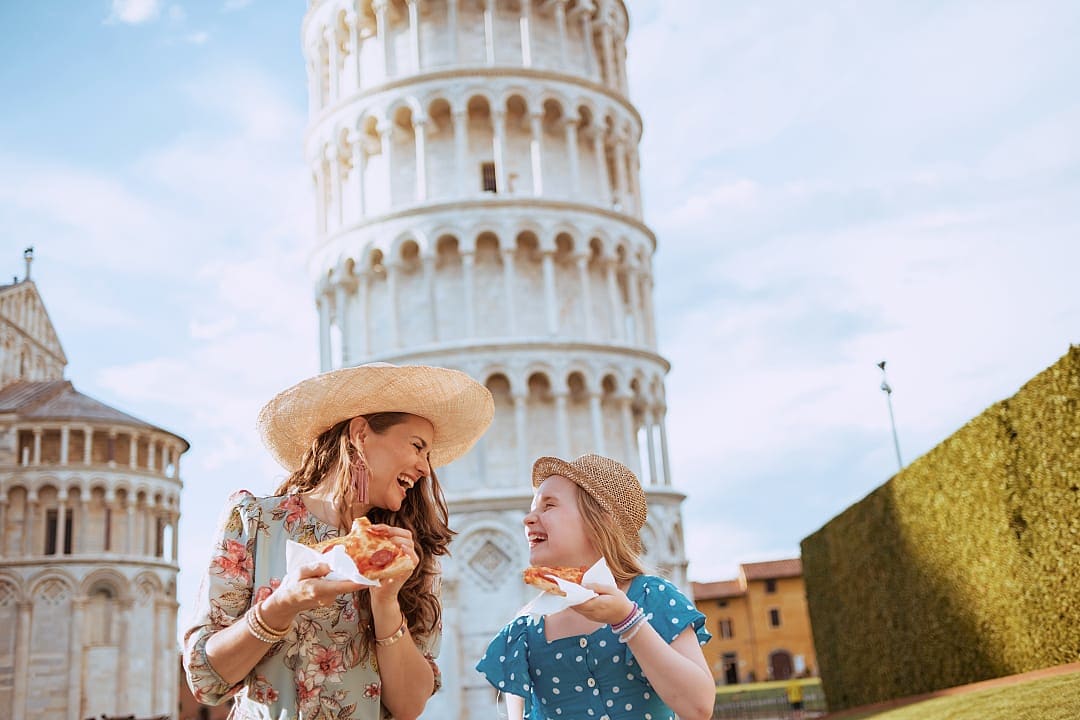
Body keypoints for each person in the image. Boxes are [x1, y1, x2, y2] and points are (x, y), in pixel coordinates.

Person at [182, 363, 494, 720]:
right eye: (417, 446)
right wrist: (281, 605)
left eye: (427, 455)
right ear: (361, 434)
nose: (426, 468)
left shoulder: (410, 550)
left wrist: (387, 600)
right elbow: (205, 680)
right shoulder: (255, 522)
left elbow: (409, 707)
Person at [475, 454, 715, 720]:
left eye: (548, 506)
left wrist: (628, 620)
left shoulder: (651, 599)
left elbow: (698, 708)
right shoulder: (522, 631)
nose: (528, 518)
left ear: (599, 521)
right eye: (532, 507)